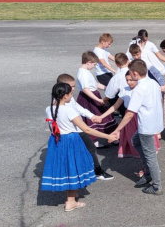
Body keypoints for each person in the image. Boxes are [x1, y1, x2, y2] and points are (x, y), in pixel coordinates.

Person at [41, 83, 119, 212]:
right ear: (65, 95)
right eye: (70, 94)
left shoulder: (49, 109)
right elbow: (86, 129)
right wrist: (107, 136)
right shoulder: (68, 110)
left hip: (57, 140)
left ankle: (71, 195)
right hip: (71, 140)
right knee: (74, 169)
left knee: (66, 168)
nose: (72, 96)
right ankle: (71, 201)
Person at [113, 59, 165, 195]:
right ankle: (148, 174)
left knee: (150, 155)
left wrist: (117, 130)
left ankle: (156, 186)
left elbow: (130, 114)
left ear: (135, 73)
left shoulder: (139, 89)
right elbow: (160, 100)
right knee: (135, 141)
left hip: (146, 126)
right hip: (155, 122)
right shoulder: (153, 83)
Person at [92, 70, 162, 161]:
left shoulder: (141, 89)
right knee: (135, 144)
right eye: (127, 80)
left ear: (137, 79)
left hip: (141, 118)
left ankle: (149, 169)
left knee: (146, 145)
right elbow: (115, 106)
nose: (129, 82)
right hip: (129, 120)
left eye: (131, 80)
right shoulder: (125, 89)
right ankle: (145, 166)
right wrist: (101, 116)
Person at [56, 74, 114, 180]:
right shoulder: (65, 105)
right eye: (71, 87)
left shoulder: (65, 97)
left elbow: (78, 107)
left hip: (75, 130)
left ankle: (83, 172)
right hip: (75, 131)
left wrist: (91, 116)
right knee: (89, 149)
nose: (73, 89)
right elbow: (86, 128)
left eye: (74, 86)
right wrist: (107, 136)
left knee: (87, 150)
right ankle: (96, 172)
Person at [76, 51, 118, 145]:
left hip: (93, 96)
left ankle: (111, 137)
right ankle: (94, 141)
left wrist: (107, 88)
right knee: (93, 118)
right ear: (88, 62)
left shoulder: (86, 71)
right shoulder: (83, 73)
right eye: (94, 64)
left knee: (103, 115)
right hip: (89, 98)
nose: (94, 66)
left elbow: (94, 84)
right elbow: (86, 89)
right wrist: (98, 99)